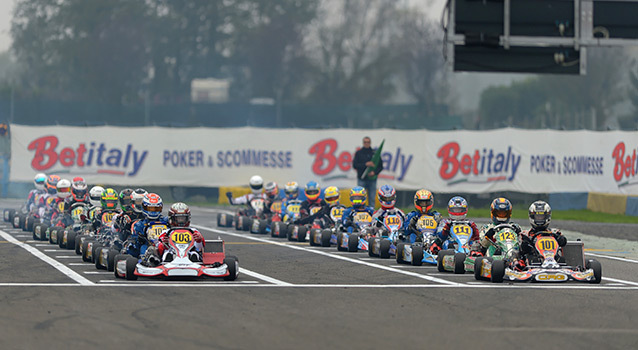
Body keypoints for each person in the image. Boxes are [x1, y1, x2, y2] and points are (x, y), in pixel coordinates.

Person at [128, 193, 169, 260]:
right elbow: (134, 245)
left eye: (156, 209)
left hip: (164, 245)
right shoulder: (139, 224)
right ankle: (145, 260)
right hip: (148, 246)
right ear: (144, 207)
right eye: (150, 208)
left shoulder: (165, 221)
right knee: (143, 247)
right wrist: (140, 239)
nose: (153, 212)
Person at [352, 137, 383, 206]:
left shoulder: (375, 154)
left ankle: (371, 213)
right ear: (363, 143)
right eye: (365, 142)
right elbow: (355, 165)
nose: (366, 144)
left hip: (372, 179)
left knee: (372, 198)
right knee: (360, 197)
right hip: (361, 179)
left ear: (370, 143)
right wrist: (365, 164)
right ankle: (361, 211)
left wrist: (374, 173)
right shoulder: (359, 153)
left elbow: (380, 166)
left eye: (368, 142)